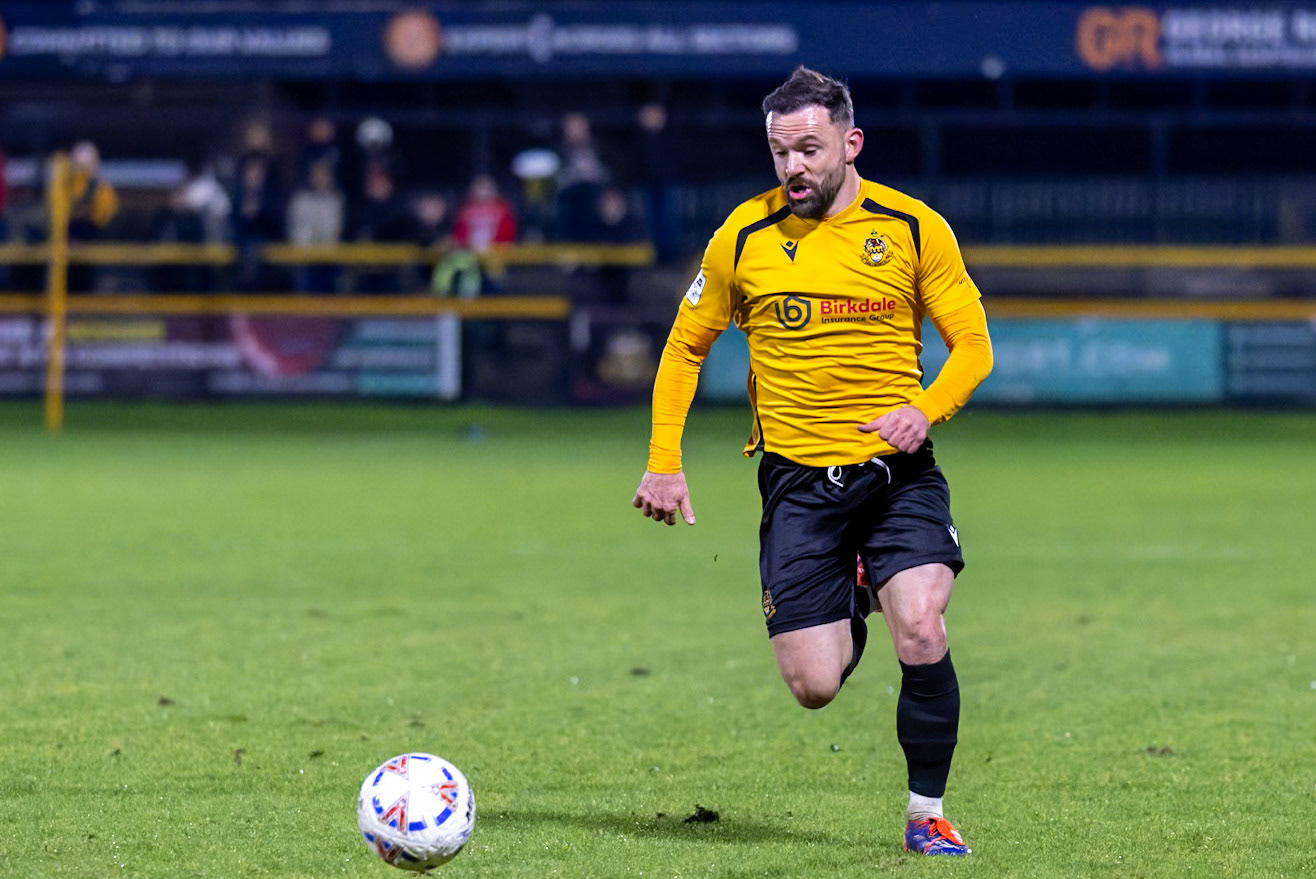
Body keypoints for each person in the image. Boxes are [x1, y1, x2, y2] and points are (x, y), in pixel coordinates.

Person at [630, 67, 993, 858]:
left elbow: (974, 347)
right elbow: (686, 345)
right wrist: (665, 460)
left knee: (923, 625)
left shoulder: (911, 226)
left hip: (897, 475)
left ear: (849, 143)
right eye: (779, 151)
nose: (793, 167)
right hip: (797, 484)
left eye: (809, 149)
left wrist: (923, 409)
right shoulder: (743, 237)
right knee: (814, 686)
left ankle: (926, 813)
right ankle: (854, 590)